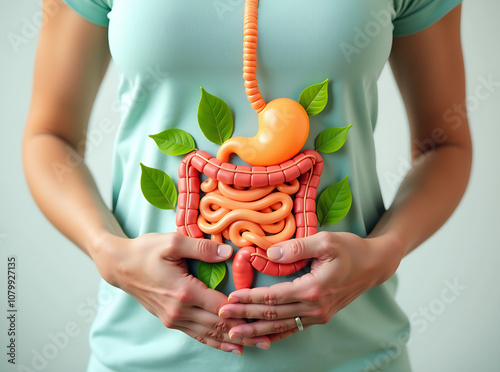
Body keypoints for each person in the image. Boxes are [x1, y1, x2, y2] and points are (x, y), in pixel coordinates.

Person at [23, 0, 471, 371]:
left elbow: (444, 144)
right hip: (142, 356)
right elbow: (50, 136)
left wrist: (384, 252)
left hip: (352, 355)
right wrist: (109, 254)